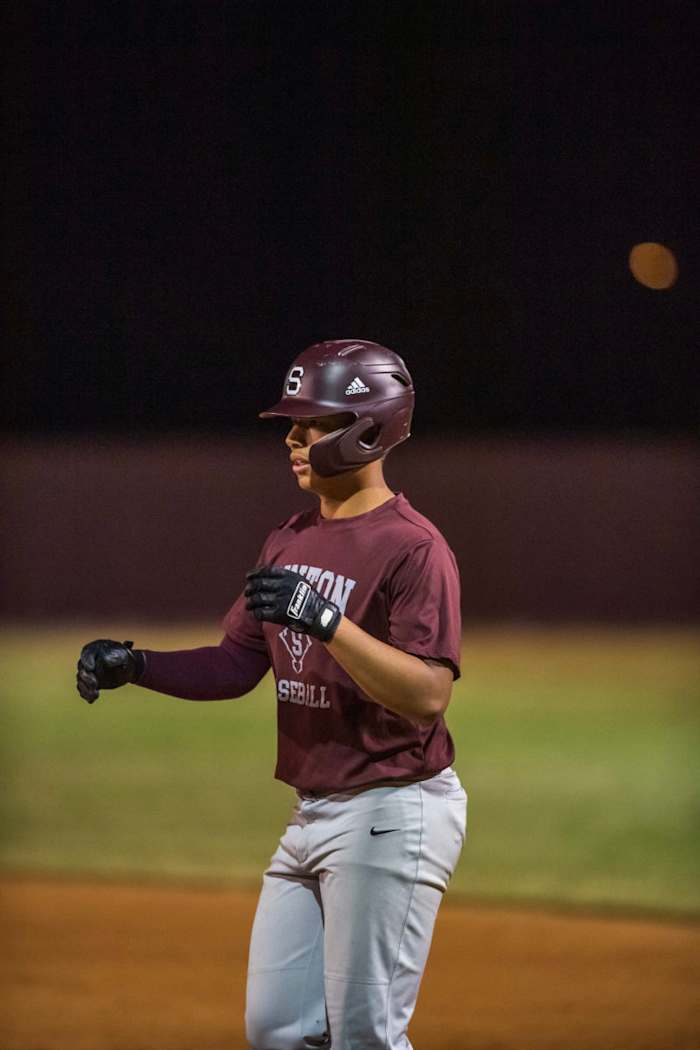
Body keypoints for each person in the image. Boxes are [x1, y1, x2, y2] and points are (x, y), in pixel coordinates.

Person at [76, 339, 467, 1050]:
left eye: (311, 423)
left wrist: (325, 620)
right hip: (312, 814)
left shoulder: (413, 547)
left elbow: (428, 693)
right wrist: (135, 665)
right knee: (279, 1029)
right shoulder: (289, 539)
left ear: (366, 426)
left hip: (391, 808)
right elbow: (234, 664)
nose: (291, 438)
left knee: (366, 1037)